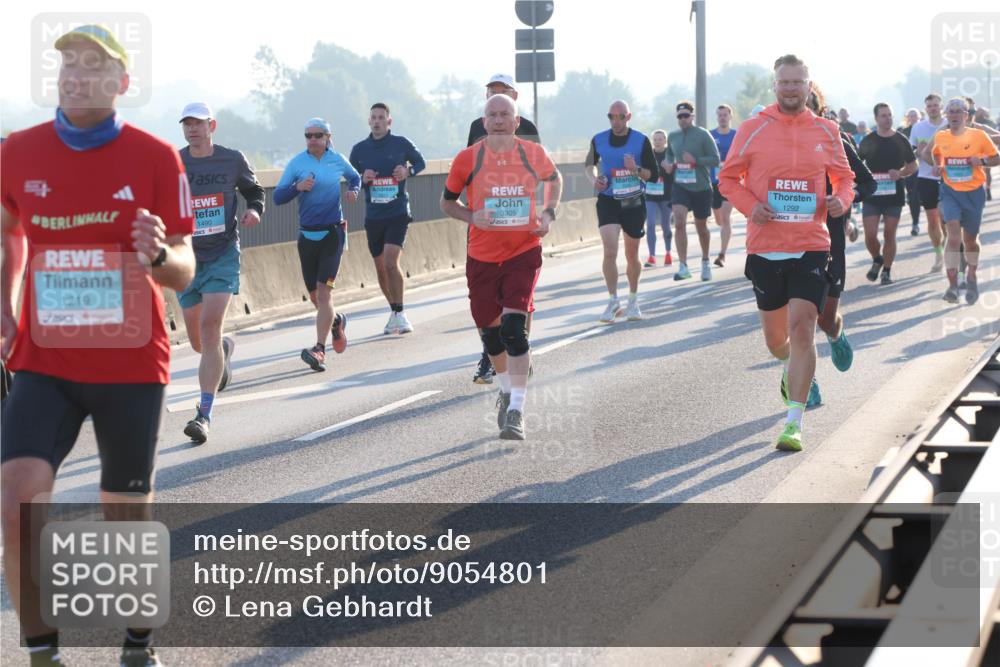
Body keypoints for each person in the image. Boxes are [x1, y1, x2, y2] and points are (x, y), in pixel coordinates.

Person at [1, 24, 195, 666]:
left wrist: (159, 254)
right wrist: (5, 301)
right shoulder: (18, 152)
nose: (76, 75)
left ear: (122, 84)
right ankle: (41, 651)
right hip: (43, 361)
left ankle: (137, 640)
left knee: (125, 516)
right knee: (16, 502)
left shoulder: (156, 157)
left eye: (94, 66)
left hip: (131, 366)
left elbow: (184, 266)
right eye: (67, 65)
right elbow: (8, 233)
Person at [719, 54, 855, 452]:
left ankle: (793, 421)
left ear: (809, 86)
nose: (792, 88)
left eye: (799, 82)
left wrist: (840, 201)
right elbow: (727, 179)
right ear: (775, 86)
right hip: (765, 247)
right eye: (785, 82)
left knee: (803, 327)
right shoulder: (753, 128)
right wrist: (751, 206)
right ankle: (788, 367)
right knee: (776, 340)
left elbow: (845, 178)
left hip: (811, 244)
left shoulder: (827, 131)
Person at [441, 94, 562, 440]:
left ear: (516, 120)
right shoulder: (467, 159)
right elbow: (447, 202)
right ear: (483, 122)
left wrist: (549, 213)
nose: (497, 120)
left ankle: (516, 411)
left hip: (523, 250)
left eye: (504, 114)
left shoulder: (531, 153)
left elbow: (555, 180)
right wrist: (471, 215)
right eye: (491, 115)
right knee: (490, 333)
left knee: (513, 328)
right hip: (481, 256)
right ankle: (507, 388)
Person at [177, 102, 266, 445]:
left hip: (222, 254)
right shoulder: (174, 162)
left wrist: (255, 211)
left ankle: (204, 414)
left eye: (198, 124)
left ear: (211, 125)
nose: (192, 130)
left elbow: (255, 191)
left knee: (210, 327)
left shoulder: (232, 159)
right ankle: (224, 353)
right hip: (186, 258)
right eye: (186, 124)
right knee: (200, 341)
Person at [467, 74, 540, 384]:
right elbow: (468, 168)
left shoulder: (528, 129)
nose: (495, 96)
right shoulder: (476, 126)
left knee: (521, 302)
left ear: (515, 95)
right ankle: (490, 355)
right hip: (484, 224)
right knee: (484, 304)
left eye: (501, 92)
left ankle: (519, 347)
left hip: (520, 227)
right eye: (490, 92)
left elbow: (538, 171)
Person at [274, 118, 360, 371]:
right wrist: (297, 187)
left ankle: (320, 349)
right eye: (308, 135)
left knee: (324, 293)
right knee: (315, 297)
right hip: (307, 236)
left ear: (328, 137)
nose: (312, 140)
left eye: (317, 135)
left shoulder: (337, 160)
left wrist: (354, 191)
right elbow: (278, 196)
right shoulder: (297, 163)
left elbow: (355, 178)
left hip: (333, 234)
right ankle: (335, 323)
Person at [807, 83, 875, 378]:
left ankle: (836, 335)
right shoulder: (774, 142)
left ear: (818, 108)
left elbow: (867, 183)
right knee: (797, 320)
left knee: (824, 319)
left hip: (829, 239)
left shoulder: (836, 140)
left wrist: (845, 200)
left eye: (808, 103)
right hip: (786, 240)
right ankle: (805, 383)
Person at [349, 103, 426, 335]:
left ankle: (401, 312)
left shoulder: (401, 144)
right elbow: (351, 178)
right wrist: (363, 178)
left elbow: (421, 163)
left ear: (389, 121)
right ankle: (394, 311)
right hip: (374, 215)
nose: (377, 121)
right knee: (381, 268)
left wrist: (408, 172)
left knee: (392, 262)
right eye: (373, 117)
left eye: (381, 117)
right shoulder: (359, 149)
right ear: (369, 121)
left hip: (397, 212)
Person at [585, 100, 659, 321]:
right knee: (609, 250)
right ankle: (612, 301)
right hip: (608, 199)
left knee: (631, 253)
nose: (615, 121)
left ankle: (633, 300)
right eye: (611, 116)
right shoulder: (598, 139)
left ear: (628, 117)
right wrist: (594, 180)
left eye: (620, 117)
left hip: (633, 201)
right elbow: (589, 165)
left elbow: (653, 175)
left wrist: (634, 169)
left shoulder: (641, 140)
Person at [924, 98, 1000, 304]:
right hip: (950, 192)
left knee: (970, 241)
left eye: (959, 112)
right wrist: (938, 166)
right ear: (946, 115)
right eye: (951, 112)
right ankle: (953, 286)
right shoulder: (941, 136)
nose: (955, 115)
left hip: (974, 192)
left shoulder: (979, 135)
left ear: (966, 116)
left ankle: (972, 275)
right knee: (953, 235)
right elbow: (935, 155)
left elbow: (997, 157)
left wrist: (982, 161)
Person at [857, 103, 918, 285]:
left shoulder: (900, 139)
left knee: (889, 234)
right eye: (883, 115)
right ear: (876, 119)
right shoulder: (868, 140)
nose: (887, 118)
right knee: (870, 234)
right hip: (872, 194)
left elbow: (913, 166)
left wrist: (900, 173)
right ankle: (877, 258)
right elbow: (857, 164)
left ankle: (887, 271)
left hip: (894, 194)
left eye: (889, 115)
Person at [663, 100, 721, 281]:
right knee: (679, 222)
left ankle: (705, 262)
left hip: (701, 187)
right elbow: (669, 155)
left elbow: (715, 159)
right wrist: (668, 164)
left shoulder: (703, 135)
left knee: (701, 226)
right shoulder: (673, 136)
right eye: (680, 117)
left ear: (692, 116)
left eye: (686, 116)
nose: (683, 119)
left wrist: (696, 161)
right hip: (680, 185)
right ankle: (683, 266)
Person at [909, 93, 949, 273]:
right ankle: (939, 254)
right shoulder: (918, 127)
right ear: (926, 109)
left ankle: (950, 246)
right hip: (926, 178)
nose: (933, 108)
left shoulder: (949, 125)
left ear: (941, 107)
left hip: (949, 178)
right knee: (933, 219)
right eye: (930, 106)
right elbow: (912, 152)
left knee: (947, 218)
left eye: (936, 105)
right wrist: (920, 152)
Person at [710, 104, 738, 267]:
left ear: (730, 116)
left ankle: (722, 254)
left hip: (731, 181)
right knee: (719, 220)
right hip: (713, 182)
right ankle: (725, 232)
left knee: (726, 218)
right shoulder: (710, 135)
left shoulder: (737, 135)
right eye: (719, 115)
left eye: (725, 115)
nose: (722, 117)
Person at [643, 129, 674, 266]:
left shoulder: (670, 154)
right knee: (650, 224)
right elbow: (642, 172)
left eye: (660, 139)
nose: (657, 142)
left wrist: (669, 169)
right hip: (650, 195)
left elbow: (676, 173)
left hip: (666, 195)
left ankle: (668, 253)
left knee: (665, 226)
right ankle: (651, 256)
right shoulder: (648, 155)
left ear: (665, 141)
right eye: (655, 139)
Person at [898, 107, 923, 235]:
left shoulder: (926, 128)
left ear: (920, 117)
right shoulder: (903, 132)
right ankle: (915, 223)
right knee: (913, 197)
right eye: (910, 116)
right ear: (907, 118)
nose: (913, 117)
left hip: (927, 167)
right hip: (911, 168)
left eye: (915, 115)